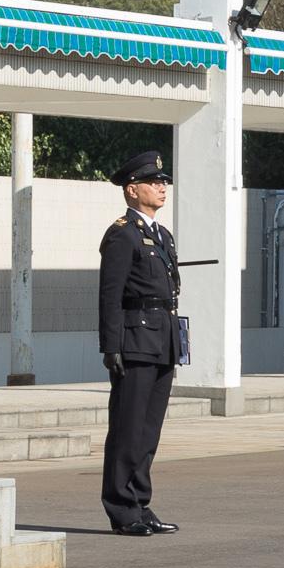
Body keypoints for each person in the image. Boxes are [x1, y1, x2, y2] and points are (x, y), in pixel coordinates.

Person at [96, 150, 184, 535]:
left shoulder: (160, 234)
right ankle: (121, 507)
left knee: (149, 430)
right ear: (133, 190)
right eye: (154, 182)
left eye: (163, 182)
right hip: (134, 340)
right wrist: (110, 346)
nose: (162, 187)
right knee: (128, 428)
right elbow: (109, 295)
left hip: (161, 338)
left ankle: (140, 503)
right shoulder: (122, 234)